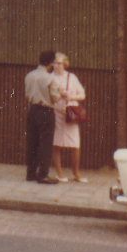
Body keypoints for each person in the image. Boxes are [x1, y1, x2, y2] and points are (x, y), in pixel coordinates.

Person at [51, 53, 87, 182]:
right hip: (56, 112)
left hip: (71, 113)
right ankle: (59, 173)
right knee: (57, 143)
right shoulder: (50, 78)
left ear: (65, 64)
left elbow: (82, 95)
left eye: (59, 63)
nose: (57, 65)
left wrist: (70, 97)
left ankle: (76, 173)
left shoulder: (71, 77)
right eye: (55, 63)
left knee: (74, 143)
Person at [24, 50, 59, 183]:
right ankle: (43, 174)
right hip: (46, 111)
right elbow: (55, 97)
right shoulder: (50, 78)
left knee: (32, 141)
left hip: (33, 110)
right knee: (45, 143)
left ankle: (30, 173)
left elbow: (27, 95)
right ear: (51, 63)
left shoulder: (29, 76)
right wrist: (60, 92)